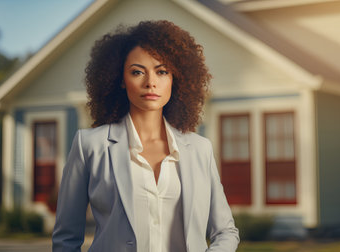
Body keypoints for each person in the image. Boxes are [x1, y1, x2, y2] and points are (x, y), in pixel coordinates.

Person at [52, 20, 239, 252]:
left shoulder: (200, 149)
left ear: (175, 79)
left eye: (162, 71)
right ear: (120, 80)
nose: (151, 82)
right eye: (137, 72)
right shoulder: (90, 145)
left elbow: (225, 232)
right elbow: (66, 239)